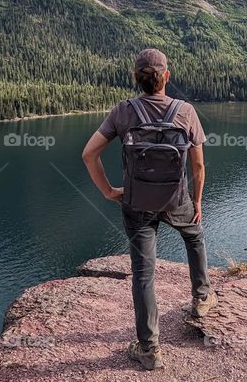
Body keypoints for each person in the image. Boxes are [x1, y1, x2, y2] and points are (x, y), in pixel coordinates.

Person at [81, 48, 216, 371]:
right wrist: (196, 201)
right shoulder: (185, 111)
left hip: (136, 202)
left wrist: (110, 192)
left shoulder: (123, 112)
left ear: (135, 78)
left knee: (144, 273)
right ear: (166, 76)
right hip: (176, 199)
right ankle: (201, 299)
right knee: (194, 237)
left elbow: (89, 155)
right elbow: (197, 167)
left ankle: (149, 349)